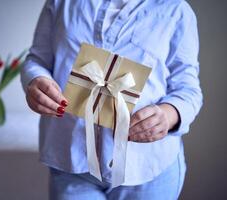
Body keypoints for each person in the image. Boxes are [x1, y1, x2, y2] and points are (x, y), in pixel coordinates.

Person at [21, 0, 203, 199]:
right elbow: (37, 59)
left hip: (146, 166)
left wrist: (169, 115)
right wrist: (36, 80)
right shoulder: (61, 3)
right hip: (71, 159)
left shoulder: (176, 10)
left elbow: (188, 89)